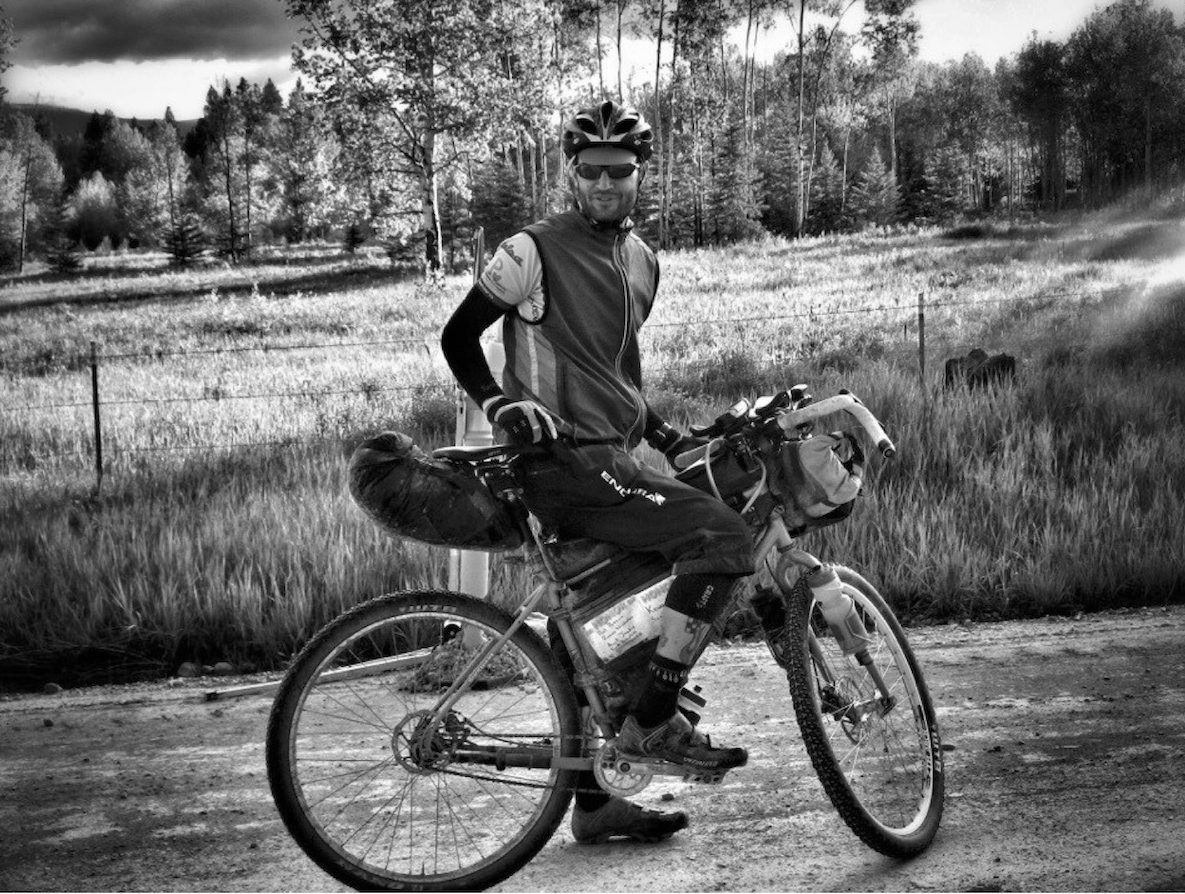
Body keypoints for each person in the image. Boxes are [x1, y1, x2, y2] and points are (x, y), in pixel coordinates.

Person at [440, 100, 753, 845]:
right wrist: (500, 404)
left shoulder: (642, 261)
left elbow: (617, 375)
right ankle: (652, 721)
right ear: (572, 174)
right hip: (560, 462)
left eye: (620, 170)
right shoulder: (530, 250)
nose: (606, 182)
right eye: (592, 170)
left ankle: (596, 801)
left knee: (600, 623)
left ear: (639, 173)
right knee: (724, 538)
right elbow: (458, 336)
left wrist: (667, 434)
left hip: (609, 456)